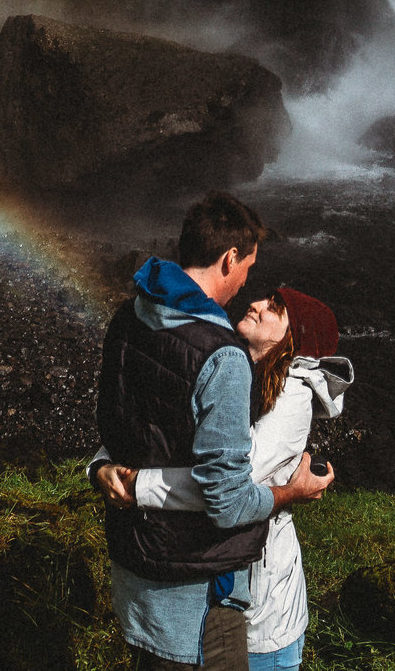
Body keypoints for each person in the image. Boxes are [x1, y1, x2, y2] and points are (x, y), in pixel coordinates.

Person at [92, 192, 335, 671]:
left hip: (135, 569)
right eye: (248, 267)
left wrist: (100, 467)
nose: (249, 286)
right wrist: (292, 492)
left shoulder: (128, 317)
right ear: (229, 259)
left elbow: (120, 426)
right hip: (196, 589)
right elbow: (227, 498)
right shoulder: (221, 357)